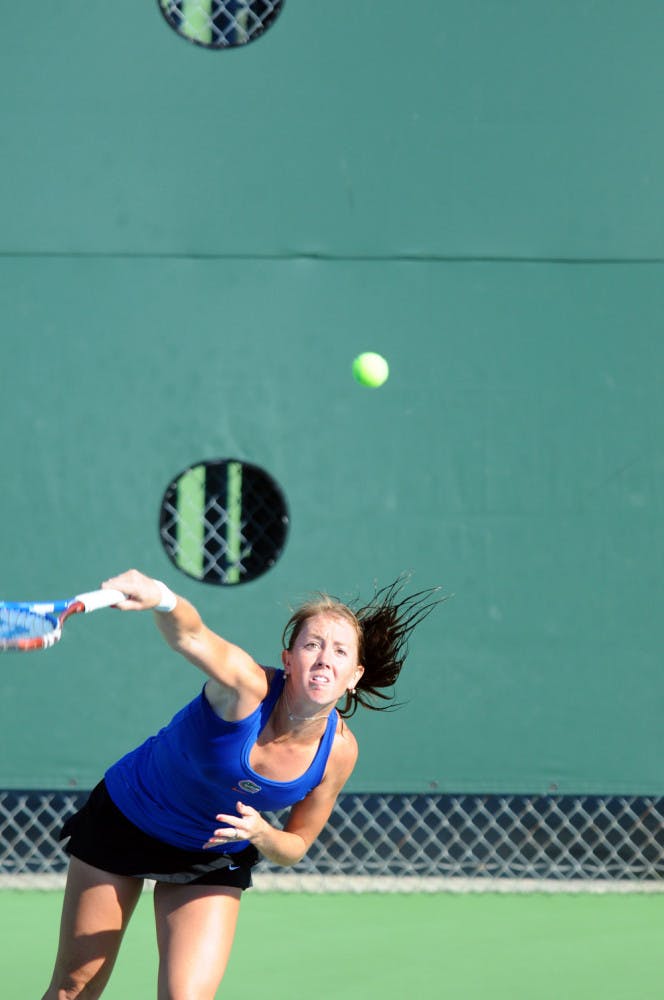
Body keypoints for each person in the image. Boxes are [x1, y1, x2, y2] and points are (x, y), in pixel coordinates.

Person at [41, 568, 441, 1000]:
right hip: (128, 819)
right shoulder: (246, 687)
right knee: (73, 990)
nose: (325, 658)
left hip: (212, 852)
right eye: (313, 645)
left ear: (354, 675)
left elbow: (296, 845)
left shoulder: (340, 752)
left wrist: (263, 834)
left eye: (340, 651)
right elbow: (193, 638)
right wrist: (161, 596)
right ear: (289, 661)